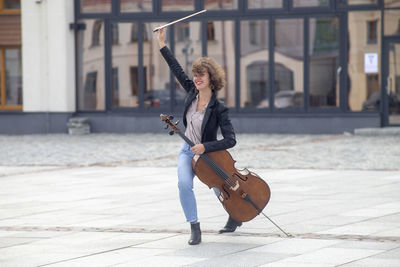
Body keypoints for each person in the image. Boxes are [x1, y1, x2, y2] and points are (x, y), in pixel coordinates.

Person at [157, 28, 242, 245]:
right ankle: (194, 227)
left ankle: (235, 215)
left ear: (211, 78)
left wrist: (206, 146)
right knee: (184, 184)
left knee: (219, 187)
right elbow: (176, 69)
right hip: (187, 151)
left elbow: (231, 140)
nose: (196, 79)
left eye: (201, 75)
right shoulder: (191, 94)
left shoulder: (219, 108)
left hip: (208, 154)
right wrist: (162, 44)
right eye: (195, 75)